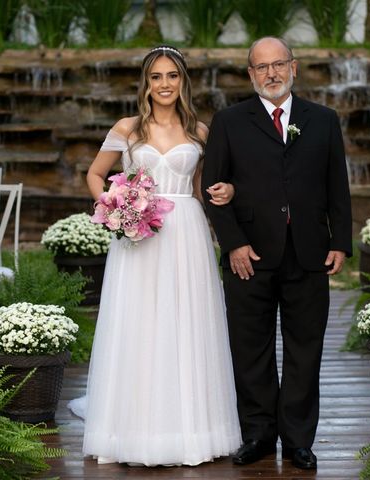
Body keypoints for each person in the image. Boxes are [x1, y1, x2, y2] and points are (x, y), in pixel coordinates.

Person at [74, 45, 241, 467]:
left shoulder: (200, 131)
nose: (164, 84)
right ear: (145, 84)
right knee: (140, 324)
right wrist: (114, 208)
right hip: (139, 234)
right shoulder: (128, 128)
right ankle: (130, 429)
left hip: (186, 231)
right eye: (156, 77)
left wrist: (228, 191)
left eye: (172, 76)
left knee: (186, 323)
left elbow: (205, 187)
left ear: (183, 81)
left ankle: (190, 430)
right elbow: (95, 174)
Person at [202, 37, 352, 470]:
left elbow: (336, 186)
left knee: (306, 350)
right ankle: (258, 435)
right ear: (250, 74)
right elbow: (212, 188)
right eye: (261, 67)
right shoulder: (229, 121)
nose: (271, 73)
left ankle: (299, 439)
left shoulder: (323, 120)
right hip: (248, 254)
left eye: (279, 64)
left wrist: (340, 240)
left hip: (309, 252)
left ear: (294, 67)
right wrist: (233, 243)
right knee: (251, 350)